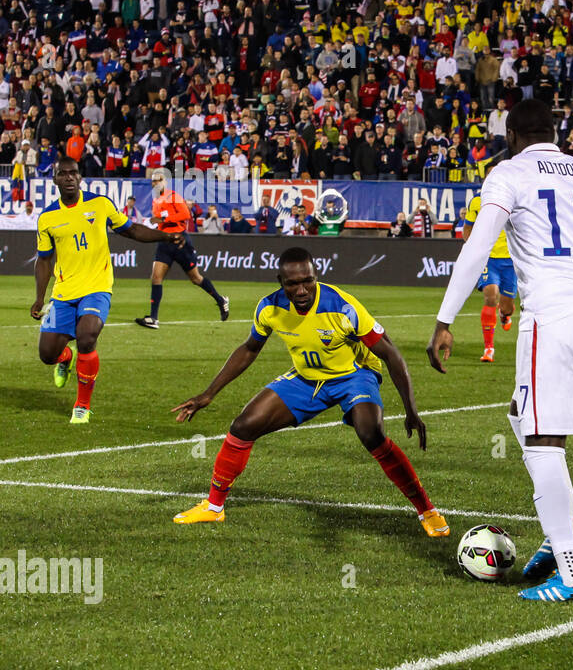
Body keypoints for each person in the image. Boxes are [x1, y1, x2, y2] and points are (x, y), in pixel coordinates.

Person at [426, 100, 573, 603]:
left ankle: (572, 571)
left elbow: (476, 248)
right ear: (554, 132)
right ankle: (567, 526)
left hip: (552, 318)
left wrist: (445, 319)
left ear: (512, 133)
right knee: (522, 414)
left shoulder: (508, 174)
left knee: (542, 443)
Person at [170, 247, 446, 536]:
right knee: (243, 426)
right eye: (293, 284)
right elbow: (249, 349)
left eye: (308, 281)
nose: (302, 290)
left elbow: (391, 355)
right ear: (281, 281)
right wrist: (209, 393)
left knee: (371, 433)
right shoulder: (269, 308)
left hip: (354, 376)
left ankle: (427, 510)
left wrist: (411, 410)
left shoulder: (342, 306)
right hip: (307, 379)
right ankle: (214, 508)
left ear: (316, 276)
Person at [33, 156, 170, 423]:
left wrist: (164, 235)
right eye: (64, 174)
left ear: (80, 177)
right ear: (56, 180)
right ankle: (65, 357)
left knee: (87, 335)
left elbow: (131, 230)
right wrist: (39, 298)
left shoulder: (100, 204)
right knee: (47, 355)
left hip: (97, 287)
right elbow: (44, 259)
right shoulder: (47, 217)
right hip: (63, 292)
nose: (70, 177)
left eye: (74, 173)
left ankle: (82, 406)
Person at [135, 169, 229, 329]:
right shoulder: (155, 201)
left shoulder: (173, 196)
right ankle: (153, 318)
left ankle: (221, 300)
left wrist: (164, 218)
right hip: (164, 240)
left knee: (196, 279)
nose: (155, 183)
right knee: (156, 277)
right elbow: (159, 221)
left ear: (164, 181)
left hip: (180, 241)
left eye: (158, 180)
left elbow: (186, 214)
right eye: (153, 181)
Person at [463, 190, 516, 363]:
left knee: (507, 307)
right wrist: (474, 250)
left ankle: (504, 314)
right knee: (490, 296)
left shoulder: (515, 199)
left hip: (511, 259)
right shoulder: (477, 201)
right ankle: (489, 348)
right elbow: (467, 228)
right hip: (489, 258)